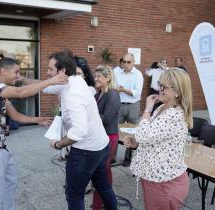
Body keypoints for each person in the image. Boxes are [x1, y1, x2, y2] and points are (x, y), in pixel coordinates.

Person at [0, 57, 68, 210]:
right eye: (16, 72)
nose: (18, 76)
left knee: (10, 182)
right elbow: (21, 92)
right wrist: (51, 81)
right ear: (3, 71)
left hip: (0, 148)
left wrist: (38, 119)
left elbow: (15, 115)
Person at [47, 51, 117, 210]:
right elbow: (47, 87)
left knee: (74, 195)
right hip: (100, 147)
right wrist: (23, 81)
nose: (47, 73)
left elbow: (79, 132)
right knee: (104, 187)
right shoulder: (76, 80)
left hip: (86, 153)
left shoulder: (73, 93)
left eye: (50, 69)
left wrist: (58, 144)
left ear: (62, 71)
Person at [123, 68, 192, 210]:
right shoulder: (162, 108)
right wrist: (136, 144)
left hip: (164, 183)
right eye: (159, 84)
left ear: (177, 92)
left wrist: (147, 109)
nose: (158, 89)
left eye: (163, 87)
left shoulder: (173, 115)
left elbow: (143, 134)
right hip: (155, 177)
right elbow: (150, 137)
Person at [92, 65, 120, 210]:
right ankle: (101, 202)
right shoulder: (97, 95)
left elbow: (106, 119)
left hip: (109, 136)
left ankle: (102, 203)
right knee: (100, 170)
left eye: (99, 76)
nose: (95, 79)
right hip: (100, 136)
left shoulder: (113, 95)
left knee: (103, 170)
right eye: (95, 76)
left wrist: (88, 112)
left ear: (108, 78)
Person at [113, 53, 143, 166]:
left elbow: (136, 93)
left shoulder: (138, 74)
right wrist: (117, 89)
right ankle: (112, 157)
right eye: (124, 61)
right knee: (115, 130)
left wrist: (124, 90)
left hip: (133, 105)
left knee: (132, 132)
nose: (125, 64)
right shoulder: (117, 72)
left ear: (133, 62)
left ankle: (128, 158)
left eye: (128, 62)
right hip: (119, 104)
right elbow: (113, 86)